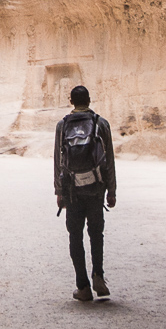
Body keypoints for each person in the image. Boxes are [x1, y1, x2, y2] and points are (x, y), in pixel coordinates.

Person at [53, 84, 116, 302]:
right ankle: (98, 275)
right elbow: (109, 161)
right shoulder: (101, 123)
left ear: (71, 101)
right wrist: (112, 191)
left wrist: (58, 191)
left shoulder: (63, 125)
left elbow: (58, 161)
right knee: (96, 234)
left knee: (75, 236)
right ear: (89, 100)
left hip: (72, 191)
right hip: (96, 189)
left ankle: (83, 287)